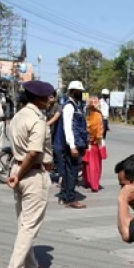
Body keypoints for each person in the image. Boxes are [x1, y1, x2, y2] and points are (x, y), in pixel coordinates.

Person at [3, 80, 55, 268]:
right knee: (29, 225)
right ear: (40, 98)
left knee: (24, 222)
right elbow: (33, 153)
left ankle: (31, 264)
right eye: (49, 97)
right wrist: (21, 173)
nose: (51, 100)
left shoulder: (18, 116)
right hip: (32, 173)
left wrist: (17, 174)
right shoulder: (38, 120)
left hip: (18, 168)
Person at [53, 80, 88, 209]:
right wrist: (72, 146)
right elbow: (68, 128)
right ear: (73, 91)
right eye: (80, 91)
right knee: (72, 172)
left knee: (69, 171)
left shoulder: (76, 105)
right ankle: (70, 199)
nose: (82, 94)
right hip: (72, 145)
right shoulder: (69, 106)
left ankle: (65, 196)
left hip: (76, 143)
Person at [81, 95, 104, 193]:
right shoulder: (97, 116)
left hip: (87, 142)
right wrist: (99, 142)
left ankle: (87, 182)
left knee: (86, 164)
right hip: (94, 143)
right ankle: (94, 185)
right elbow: (98, 132)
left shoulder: (88, 115)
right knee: (95, 166)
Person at [45, 90, 62, 184]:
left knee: (57, 152)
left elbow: (55, 118)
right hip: (50, 133)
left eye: (51, 97)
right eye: (48, 97)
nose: (49, 98)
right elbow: (45, 117)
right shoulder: (48, 107)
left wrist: (46, 124)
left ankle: (61, 176)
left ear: (55, 98)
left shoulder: (58, 107)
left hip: (58, 135)